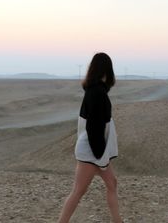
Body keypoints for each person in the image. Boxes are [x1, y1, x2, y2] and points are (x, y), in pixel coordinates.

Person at [58, 52, 123, 223]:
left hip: (94, 149)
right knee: (79, 191)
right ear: (107, 70)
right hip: (93, 151)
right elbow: (94, 127)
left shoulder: (94, 90)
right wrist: (100, 156)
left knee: (111, 184)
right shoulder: (97, 93)